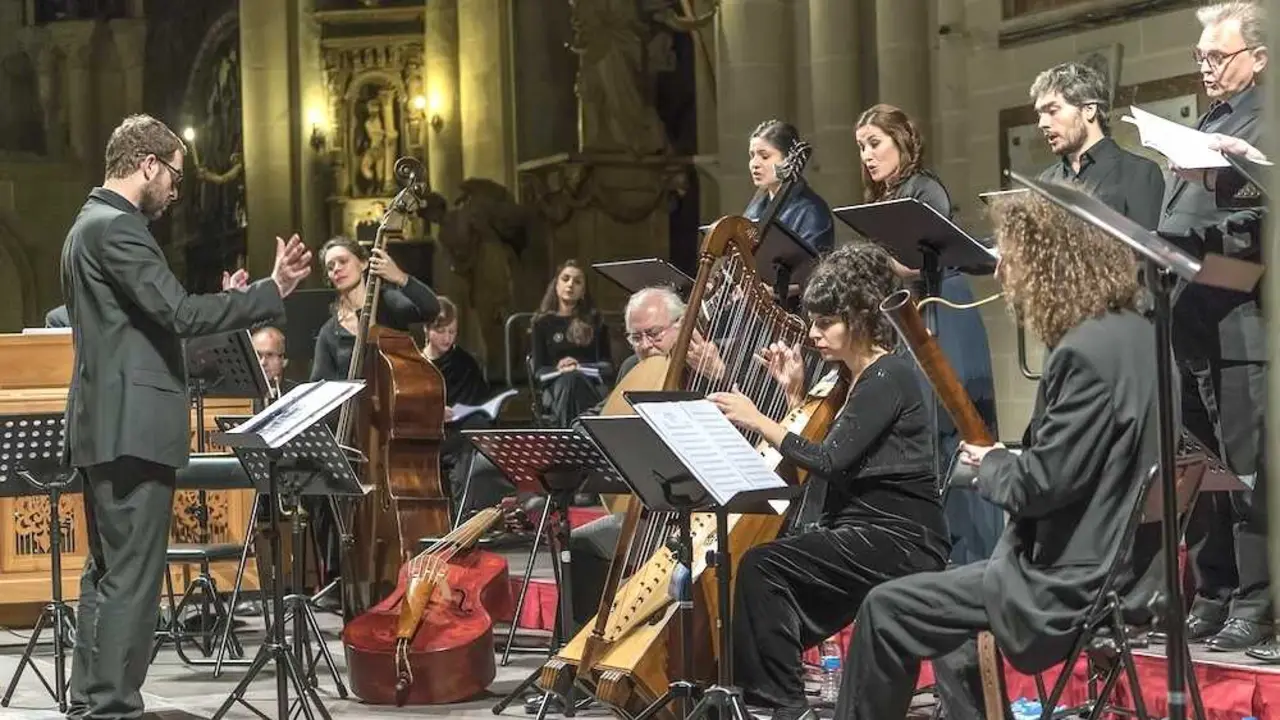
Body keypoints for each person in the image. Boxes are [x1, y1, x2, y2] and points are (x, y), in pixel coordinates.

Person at [833, 192, 1161, 720]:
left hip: (1067, 581)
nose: (1001, 270)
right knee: (942, 613)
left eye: (1009, 256)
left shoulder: (1081, 352)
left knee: (885, 608)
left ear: (1047, 264)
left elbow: (1041, 485)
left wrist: (990, 464)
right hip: (1125, 568)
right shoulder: (1143, 335)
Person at [61, 113, 313, 720]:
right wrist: (267, 292)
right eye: (174, 174)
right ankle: (112, 706)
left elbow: (146, 332)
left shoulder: (84, 227)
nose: (176, 190)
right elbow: (176, 312)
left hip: (107, 426)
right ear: (147, 164)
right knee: (133, 579)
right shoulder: (117, 230)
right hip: (132, 430)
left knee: (107, 572)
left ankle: (91, 700)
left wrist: (228, 299)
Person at [708, 243, 951, 720]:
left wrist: (759, 419)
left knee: (763, 569)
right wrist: (796, 394)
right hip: (865, 530)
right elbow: (841, 450)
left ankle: (783, 706)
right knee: (765, 572)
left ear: (860, 318)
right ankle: (775, 697)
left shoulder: (890, 375)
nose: (813, 334)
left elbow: (832, 459)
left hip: (901, 536)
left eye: (825, 324)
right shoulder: (857, 379)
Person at [1160, 0, 1269, 653]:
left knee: (1248, 470)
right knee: (1200, 467)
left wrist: (1193, 234)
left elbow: (1261, 225)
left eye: (1217, 55)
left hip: (1242, 319)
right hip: (1192, 315)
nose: (1205, 66)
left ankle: (1258, 602)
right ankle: (1216, 589)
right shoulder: (1214, 117)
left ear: (1258, 56)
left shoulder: (1268, 120)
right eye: (1200, 56)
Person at [855, 103, 1001, 565]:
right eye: (861, 147)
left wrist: (876, 262)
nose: (868, 156)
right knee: (923, 435)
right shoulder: (883, 198)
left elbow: (918, 262)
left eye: (875, 143)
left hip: (942, 309)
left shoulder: (925, 188)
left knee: (955, 428)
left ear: (903, 141)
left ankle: (975, 556)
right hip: (911, 316)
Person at [309, 235, 440, 610]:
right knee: (325, 495)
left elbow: (430, 309)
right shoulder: (330, 332)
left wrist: (400, 277)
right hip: (354, 437)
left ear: (364, 262)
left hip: (391, 435)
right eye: (330, 265)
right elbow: (320, 387)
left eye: (342, 261)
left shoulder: (389, 307)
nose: (335, 269)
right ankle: (343, 579)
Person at [1030, 62, 1166, 228]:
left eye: (1052, 111)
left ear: (1089, 110)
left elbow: (1147, 250)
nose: (1042, 123)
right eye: (1040, 114)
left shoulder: (1140, 173)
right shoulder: (1044, 182)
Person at [422, 296, 507, 517]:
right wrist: (434, 414)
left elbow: (480, 401)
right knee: (466, 447)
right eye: (441, 331)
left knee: (472, 436)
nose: (447, 338)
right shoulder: (416, 365)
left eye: (452, 332)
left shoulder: (464, 362)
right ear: (427, 329)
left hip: (461, 431)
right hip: (428, 434)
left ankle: (467, 519)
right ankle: (465, 518)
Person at [531, 260, 613, 427]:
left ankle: (568, 435)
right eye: (565, 279)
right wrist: (559, 369)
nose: (570, 284)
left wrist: (579, 366)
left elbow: (608, 367)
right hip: (555, 386)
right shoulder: (541, 323)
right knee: (568, 380)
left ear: (583, 290)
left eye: (577, 281)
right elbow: (538, 372)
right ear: (556, 284)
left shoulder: (595, 321)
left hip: (589, 384)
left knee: (574, 378)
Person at [743, 119, 834, 257]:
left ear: (789, 159)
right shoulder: (754, 209)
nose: (754, 163)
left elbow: (811, 267)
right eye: (752, 155)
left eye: (764, 156)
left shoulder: (811, 211)